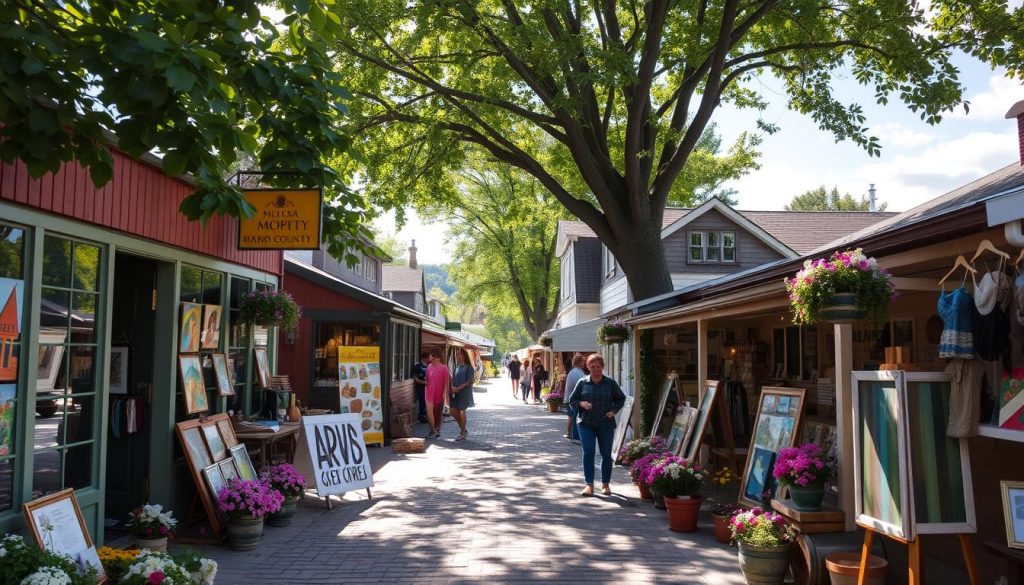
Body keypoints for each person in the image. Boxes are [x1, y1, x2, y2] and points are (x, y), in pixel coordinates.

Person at [567, 353, 626, 497]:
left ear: (602, 367)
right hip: (586, 423)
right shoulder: (582, 382)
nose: (595, 369)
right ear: (588, 367)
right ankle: (589, 484)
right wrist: (581, 403)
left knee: (606, 454)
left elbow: (621, 398)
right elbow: (572, 400)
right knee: (589, 453)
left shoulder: (610, 383)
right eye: (592, 366)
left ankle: (605, 484)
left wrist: (613, 411)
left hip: (605, 423)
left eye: (598, 366)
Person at [449, 348, 476, 441]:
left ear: (464, 355)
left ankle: (462, 432)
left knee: (462, 410)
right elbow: (453, 379)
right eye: (457, 354)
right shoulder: (457, 367)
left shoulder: (469, 367)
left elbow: (470, 381)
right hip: (455, 392)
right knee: (452, 410)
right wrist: (452, 387)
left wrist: (459, 388)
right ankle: (463, 430)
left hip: (464, 392)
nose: (457, 356)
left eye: (459, 354)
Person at [424, 352, 450, 439]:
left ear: (435, 356)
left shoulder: (444, 368)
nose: (429, 357)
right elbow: (427, 379)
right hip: (429, 392)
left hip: (439, 392)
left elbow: (446, 383)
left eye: (431, 355)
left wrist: (445, 394)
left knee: (438, 413)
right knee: (429, 412)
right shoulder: (429, 366)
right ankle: (433, 430)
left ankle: (437, 429)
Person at [563, 354, 587, 443]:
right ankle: (576, 437)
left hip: (568, 398)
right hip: (574, 400)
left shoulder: (572, 371)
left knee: (571, 416)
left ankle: (570, 434)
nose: (584, 363)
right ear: (580, 362)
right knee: (576, 417)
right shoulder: (580, 373)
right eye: (583, 362)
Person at [410, 351, 430, 423]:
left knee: (427, 401)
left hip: (428, 387)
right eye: (429, 357)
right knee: (422, 401)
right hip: (420, 387)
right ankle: (422, 416)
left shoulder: (428, 366)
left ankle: (426, 415)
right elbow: (415, 379)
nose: (430, 358)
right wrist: (425, 382)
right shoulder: (417, 366)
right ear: (425, 358)